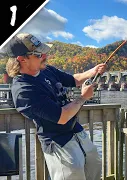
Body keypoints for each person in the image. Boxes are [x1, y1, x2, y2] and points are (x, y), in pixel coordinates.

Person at [2, 33, 105, 180]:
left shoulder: (46, 70)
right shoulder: (23, 90)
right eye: (38, 54)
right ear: (22, 59)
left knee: (94, 164)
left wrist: (93, 71)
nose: (44, 56)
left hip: (76, 131)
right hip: (57, 141)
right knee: (73, 173)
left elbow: (73, 79)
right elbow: (62, 117)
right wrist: (83, 97)